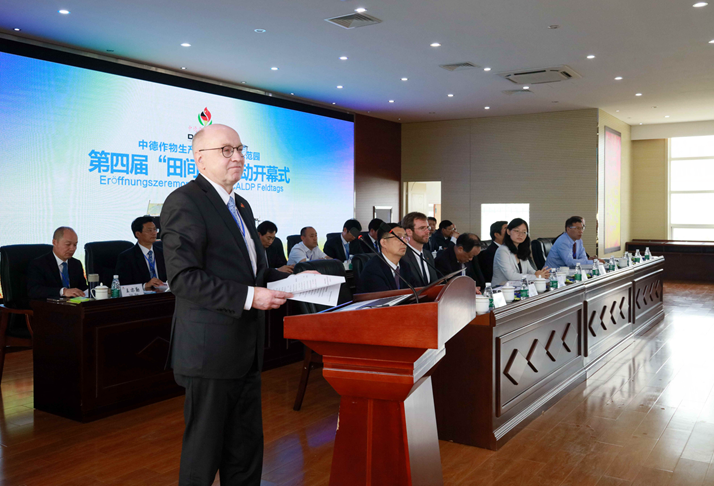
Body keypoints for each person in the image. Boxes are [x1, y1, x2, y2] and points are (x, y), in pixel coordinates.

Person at [161, 123, 293, 486]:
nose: (237, 157)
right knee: (203, 458)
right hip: (210, 353)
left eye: (240, 149)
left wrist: (297, 281)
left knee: (246, 451)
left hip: (246, 350)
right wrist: (251, 296)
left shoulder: (242, 205)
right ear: (199, 158)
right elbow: (183, 278)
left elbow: (253, 273)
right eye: (226, 150)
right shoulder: (185, 201)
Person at [27, 226, 88, 299]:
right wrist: (63, 292)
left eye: (75, 244)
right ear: (55, 242)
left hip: (74, 304)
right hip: (50, 304)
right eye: (68, 244)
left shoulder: (76, 264)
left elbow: (83, 288)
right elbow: (34, 290)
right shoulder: (39, 264)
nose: (72, 248)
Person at [357, 223, 413, 293]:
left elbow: (415, 292)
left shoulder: (405, 266)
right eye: (398, 237)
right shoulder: (373, 269)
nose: (404, 242)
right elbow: (385, 297)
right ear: (383, 243)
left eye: (405, 237)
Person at [492, 218, 550, 286]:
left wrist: (541, 274)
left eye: (524, 232)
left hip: (518, 287)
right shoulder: (502, 251)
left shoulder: (521, 249)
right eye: (517, 231)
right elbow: (511, 276)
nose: (521, 234)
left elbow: (530, 270)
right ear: (508, 231)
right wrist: (536, 276)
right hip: (501, 289)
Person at [115, 216, 167, 290]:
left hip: (164, 294)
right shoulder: (126, 257)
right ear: (138, 234)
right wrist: (145, 285)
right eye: (149, 230)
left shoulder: (163, 253)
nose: (154, 233)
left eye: (155, 229)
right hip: (141, 295)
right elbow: (123, 286)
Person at [400, 212, 438, 287]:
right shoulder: (402, 256)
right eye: (422, 228)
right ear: (409, 232)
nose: (427, 231)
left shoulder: (428, 255)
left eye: (427, 228)